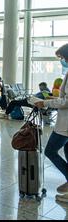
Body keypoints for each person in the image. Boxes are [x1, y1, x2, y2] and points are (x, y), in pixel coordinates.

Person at [35, 43, 68, 203]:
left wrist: (46, 103)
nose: (61, 61)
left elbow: (66, 102)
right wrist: (53, 99)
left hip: (65, 125)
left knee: (50, 151)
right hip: (65, 121)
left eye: (61, 58)